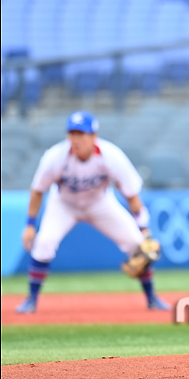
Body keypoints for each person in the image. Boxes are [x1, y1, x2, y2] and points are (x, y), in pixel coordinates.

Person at [16, 110, 170, 313]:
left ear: (94, 136)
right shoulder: (55, 156)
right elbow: (37, 191)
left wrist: (144, 230)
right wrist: (29, 225)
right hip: (64, 203)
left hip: (100, 202)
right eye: (72, 133)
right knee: (44, 243)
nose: (76, 139)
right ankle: (31, 300)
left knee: (137, 245)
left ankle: (152, 298)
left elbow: (131, 196)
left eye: (81, 134)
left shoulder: (111, 156)